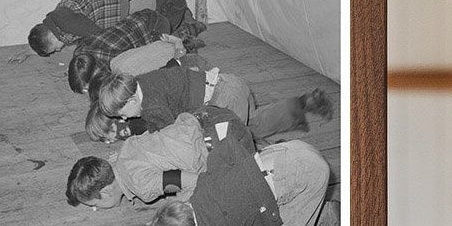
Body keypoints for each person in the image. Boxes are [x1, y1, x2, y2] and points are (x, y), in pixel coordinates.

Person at [144, 114, 335, 226]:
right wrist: (250, 172)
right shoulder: (201, 189)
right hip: (287, 150)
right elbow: (228, 145)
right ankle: (331, 217)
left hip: (306, 175)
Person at [97, 64, 334, 141]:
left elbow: (171, 136)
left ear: (130, 98)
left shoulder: (151, 105)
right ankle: (303, 103)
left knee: (231, 147)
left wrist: (138, 144)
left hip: (224, 99)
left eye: (122, 112)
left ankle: (272, 161)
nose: (124, 118)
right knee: (255, 125)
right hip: (230, 84)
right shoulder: (142, 82)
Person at [66, 112, 210, 208]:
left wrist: (171, 214)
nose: (97, 208)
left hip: (213, 145)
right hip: (200, 119)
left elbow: (197, 181)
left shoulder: (141, 185)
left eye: (95, 205)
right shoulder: (125, 149)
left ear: (105, 193)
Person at [28, 0, 201, 56]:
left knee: (143, 25)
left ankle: (184, 20)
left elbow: (103, 39)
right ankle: (183, 19)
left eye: (54, 50)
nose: (58, 51)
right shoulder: (56, 17)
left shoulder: (69, 24)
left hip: (114, 5)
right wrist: (30, 51)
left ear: (52, 37)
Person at [66, 11, 170, 93]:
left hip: (154, 27)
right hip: (138, 17)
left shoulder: (112, 63)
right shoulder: (79, 53)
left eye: (87, 89)